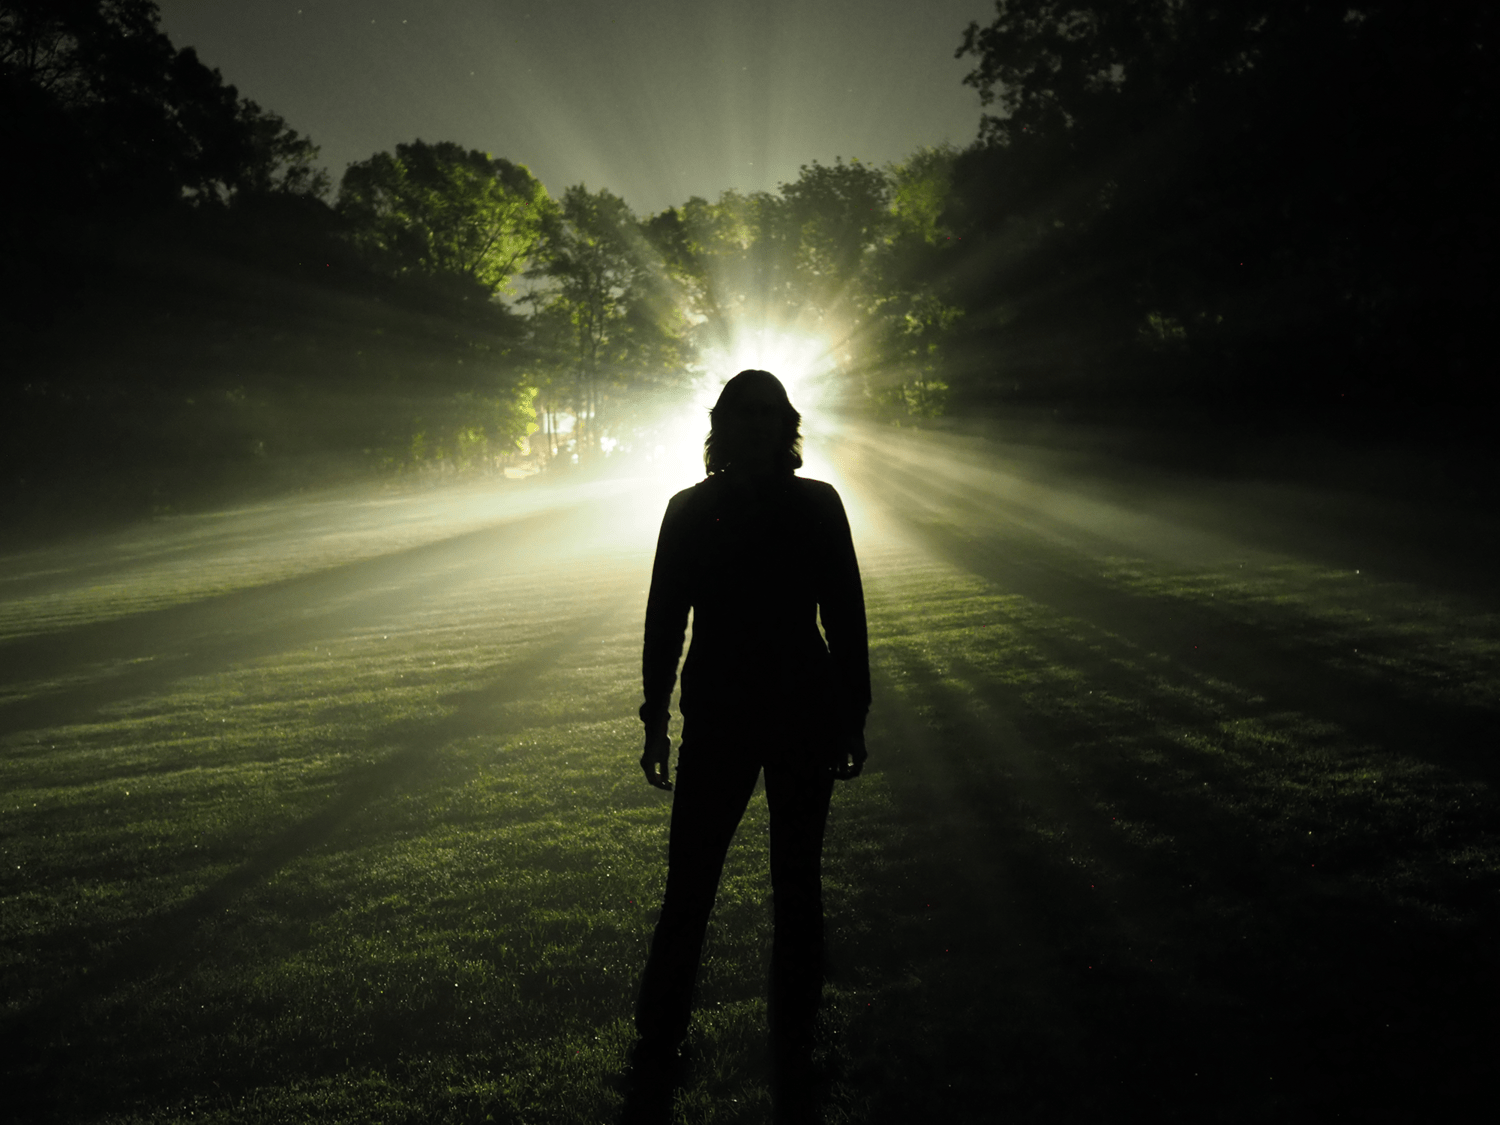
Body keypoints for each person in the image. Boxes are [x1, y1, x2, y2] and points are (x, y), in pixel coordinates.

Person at [623, 370, 870, 1123]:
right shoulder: (689, 511)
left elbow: (846, 613)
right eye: (749, 412)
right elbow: (664, 619)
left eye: (773, 412)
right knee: (691, 882)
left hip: (802, 710)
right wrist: (654, 717)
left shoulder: (818, 503)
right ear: (726, 422)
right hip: (722, 715)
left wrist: (853, 713)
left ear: (786, 422)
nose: (763, 424)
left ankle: (792, 1028)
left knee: (796, 879)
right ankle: (660, 1030)